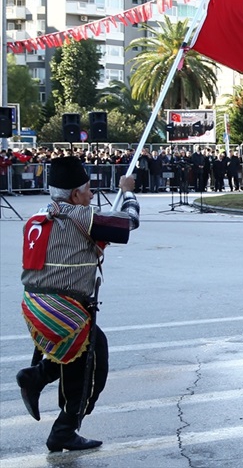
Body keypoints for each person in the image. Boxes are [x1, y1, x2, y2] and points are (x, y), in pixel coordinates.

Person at [16, 156, 140, 452]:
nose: (92, 195)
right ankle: (63, 431)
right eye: (88, 190)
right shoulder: (80, 216)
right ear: (74, 195)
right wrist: (129, 190)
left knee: (78, 352)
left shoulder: (39, 215)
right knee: (91, 364)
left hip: (34, 304)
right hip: (63, 308)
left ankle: (37, 376)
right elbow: (129, 223)